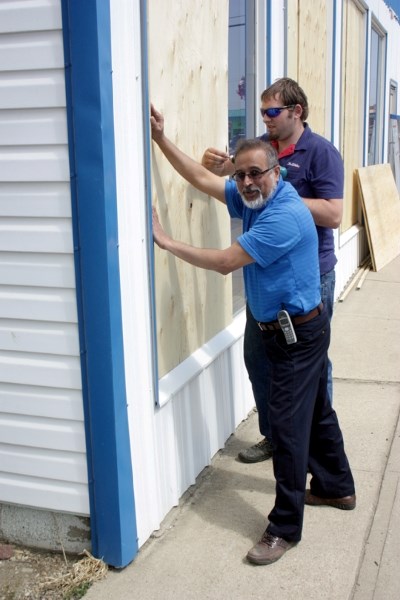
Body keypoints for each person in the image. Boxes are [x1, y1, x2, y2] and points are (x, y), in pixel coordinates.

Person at [150, 106, 356, 566]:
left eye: (255, 173)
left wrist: (166, 242)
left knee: (285, 428)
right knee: (317, 409)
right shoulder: (254, 198)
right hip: (293, 329)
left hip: (295, 338)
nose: (245, 182)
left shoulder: (284, 215)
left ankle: (284, 527)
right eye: (240, 174)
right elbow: (204, 181)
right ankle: (336, 487)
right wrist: (162, 141)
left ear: (276, 172)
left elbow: (226, 262)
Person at [202, 78, 343, 464]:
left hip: (310, 279)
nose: (265, 118)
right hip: (265, 280)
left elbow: (333, 214)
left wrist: (281, 191)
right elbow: (236, 189)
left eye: (272, 111)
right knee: (257, 359)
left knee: (311, 373)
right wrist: (240, 173)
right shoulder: (264, 154)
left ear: (297, 111)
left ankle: (312, 449)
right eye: (262, 111)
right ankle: (276, 435)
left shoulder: (320, 153)